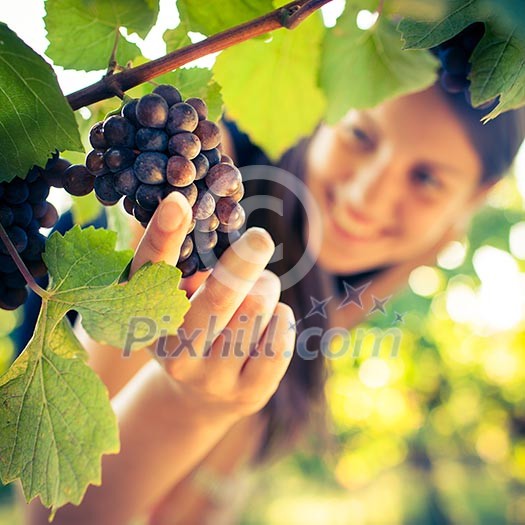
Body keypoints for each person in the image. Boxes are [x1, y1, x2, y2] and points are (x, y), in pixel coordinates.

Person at [21, 50, 525, 524]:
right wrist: (185, 409)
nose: (364, 195)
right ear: (320, 110)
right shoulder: (195, 202)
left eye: (427, 179)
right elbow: (49, 511)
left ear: (473, 202)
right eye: (360, 136)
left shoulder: (358, 273)